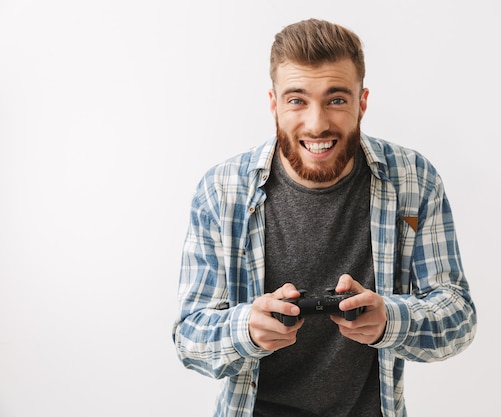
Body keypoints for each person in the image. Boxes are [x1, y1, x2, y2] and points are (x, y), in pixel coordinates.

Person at [172, 18, 477, 417]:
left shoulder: (414, 181)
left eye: (336, 99)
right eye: (297, 100)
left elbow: (458, 316)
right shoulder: (221, 191)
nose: (317, 123)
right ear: (274, 104)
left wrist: (391, 320)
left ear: (362, 102)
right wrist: (246, 329)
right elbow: (189, 339)